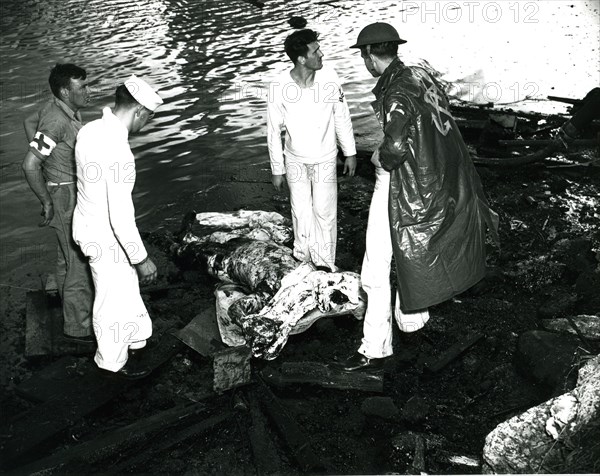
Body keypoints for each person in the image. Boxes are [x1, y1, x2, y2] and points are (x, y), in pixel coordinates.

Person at [336, 23, 499, 371]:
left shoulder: (396, 92)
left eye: (363, 54)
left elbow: (395, 146)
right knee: (407, 252)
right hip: (436, 176)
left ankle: (374, 349)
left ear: (368, 55)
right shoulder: (418, 75)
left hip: (401, 182)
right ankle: (412, 322)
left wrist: (379, 157)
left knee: (375, 268)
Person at [72, 75, 161, 378]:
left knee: (125, 288)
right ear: (139, 111)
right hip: (105, 236)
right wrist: (141, 258)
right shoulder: (119, 153)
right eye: (148, 118)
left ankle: (136, 338)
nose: (146, 124)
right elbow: (120, 216)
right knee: (110, 300)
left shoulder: (89, 129)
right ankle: (109, 363)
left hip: (87, 225)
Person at [267, 28, 357, 272]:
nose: (322, 54)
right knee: (300, 209)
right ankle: (302, 257)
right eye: (316, 51)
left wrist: (349, 152)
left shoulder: (329, 78)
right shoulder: (279, 85)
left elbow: (342, 114)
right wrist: (278, 168)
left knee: (325, 211)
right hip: (294, 159)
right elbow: (273, 130)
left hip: (326, 158)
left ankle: (325, 262)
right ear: (301, 59)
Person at [21, 63, 95, 343]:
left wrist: (50, 163)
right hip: (65, 195)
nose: (88, 91)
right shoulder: (57, 121)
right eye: (83, 87)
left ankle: (70, 307)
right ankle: (78, 328)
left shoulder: (59, 109)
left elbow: (28, 122)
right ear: (65, 91)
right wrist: (47, 200)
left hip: (65, 189)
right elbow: (30, 165)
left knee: (67, 256)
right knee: (79, 260)